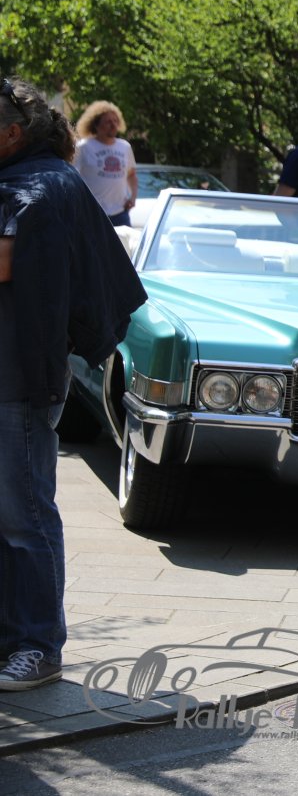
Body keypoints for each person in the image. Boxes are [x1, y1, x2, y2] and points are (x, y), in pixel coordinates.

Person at [0, 78, 146, 692]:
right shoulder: (44, 178)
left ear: (12, 133)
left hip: (17, 382)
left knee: (24, 517)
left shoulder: (37, 185)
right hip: (21, 376)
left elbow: (7, 258)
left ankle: (38, 647)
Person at [72, 100, 137, 226]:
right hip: (92, 214)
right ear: (95, 125)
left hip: (120, 213)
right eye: (108, 122)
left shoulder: (125, 147)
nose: (113, 125)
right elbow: (72, 178)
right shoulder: (83, 147)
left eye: (115, 121)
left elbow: (131, 175)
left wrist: (133, 197)